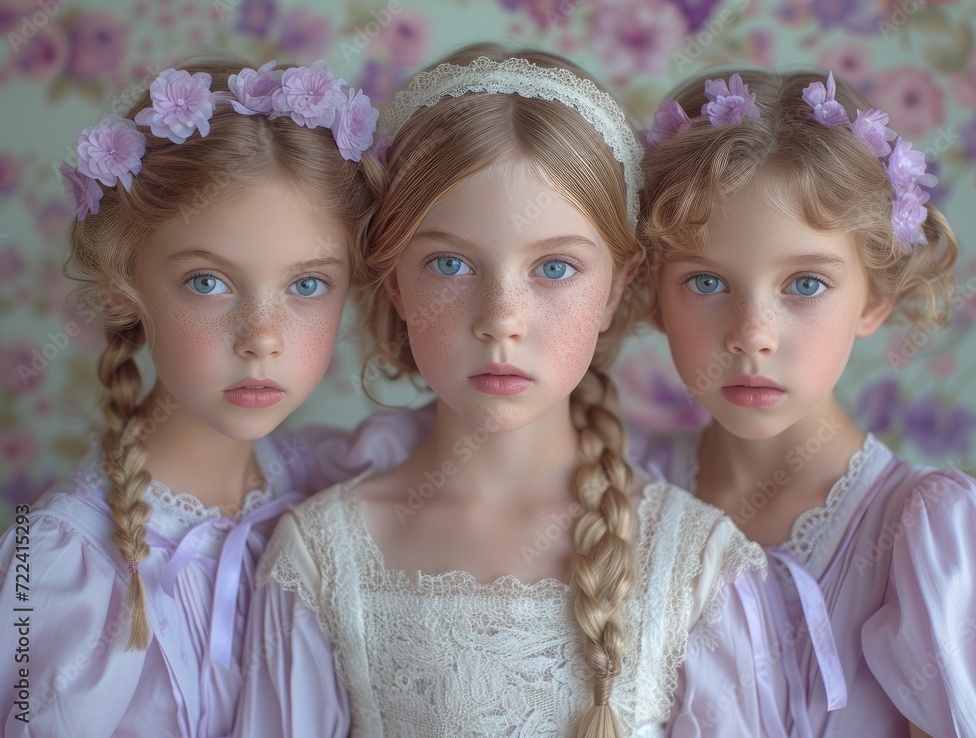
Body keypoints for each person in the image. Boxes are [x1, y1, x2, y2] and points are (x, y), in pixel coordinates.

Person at [236, 46, 788, 738]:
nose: (502, 318)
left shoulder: (698, 563)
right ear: (395, 279)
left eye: (554, 267)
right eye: (450, 263)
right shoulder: (323, 557)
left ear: (618, 285)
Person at [0, 58, 392, 737]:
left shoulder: (335, 485)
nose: (261, 338)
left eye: (306, 286)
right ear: (128, 285)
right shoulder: (63, 562)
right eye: (209, 282)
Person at [635, 68, 976, 735]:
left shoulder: (927, 539)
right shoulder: (619, 490)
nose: (752, 336)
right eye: (707, 280)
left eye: (804, 283)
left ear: (875, 299)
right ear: (653, 292)